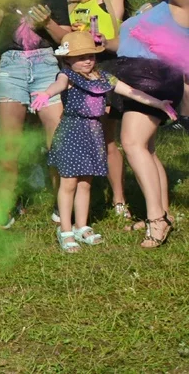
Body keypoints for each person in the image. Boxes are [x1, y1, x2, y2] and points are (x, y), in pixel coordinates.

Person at [33, 31, 176, 252]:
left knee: (85, 183)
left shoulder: (103, 77)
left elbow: (131, 91)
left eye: (90, 55)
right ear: (67, 59)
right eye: (80, 57)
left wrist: (159, 104)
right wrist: (45, 94)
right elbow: (58, 86)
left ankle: (82, 226)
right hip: (72, 133)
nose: (87, 60)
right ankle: (65, 229)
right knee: (69, 183)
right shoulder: (67, 76)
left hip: (93, 134)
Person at [56, 0, 145, 220]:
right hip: (79, 72)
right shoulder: (75, 5)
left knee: (108, 139)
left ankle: (119, 200)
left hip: (107, 68)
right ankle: (83, 198)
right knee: (86, 136)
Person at [107, 0, 189, 247]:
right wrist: (96, 37)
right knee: (148, 149)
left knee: (132, 143)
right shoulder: (150, 12)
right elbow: (118, 44)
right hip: (135, 79)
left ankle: (156, 220)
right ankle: (162, 213)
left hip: (155, 79)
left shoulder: (183, 2)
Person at [0, 0, 70, 227]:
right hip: (11, 67)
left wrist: (48, 24)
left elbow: (67, 42)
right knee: (8, 143)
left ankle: (63, 205)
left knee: (56, 139)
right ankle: (3, 208)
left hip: (46, 66)